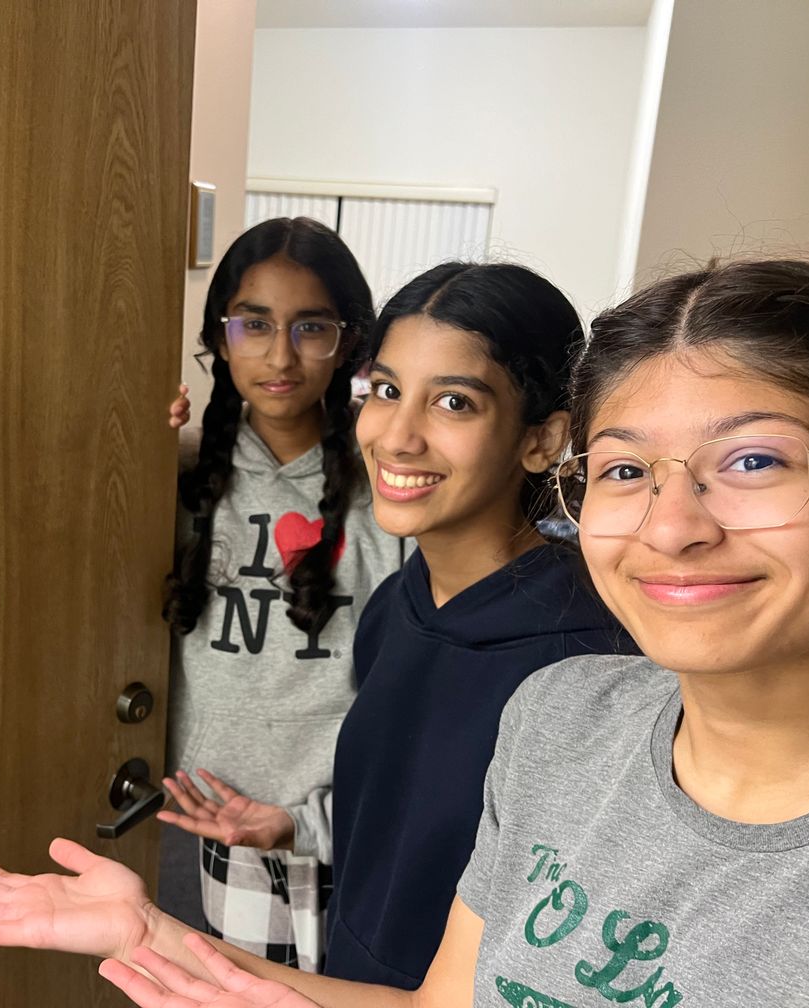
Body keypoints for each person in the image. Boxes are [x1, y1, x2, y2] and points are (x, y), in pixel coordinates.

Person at [0, 259, 809, 1007]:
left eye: (754, 463)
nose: (672, 525)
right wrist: (160, 935)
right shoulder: (565, 718)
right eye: (626, 470)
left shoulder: (590, 653)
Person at [157, 262, 636, 989]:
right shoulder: (398, 605)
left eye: (453, 402)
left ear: (543, 439)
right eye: (385, 391)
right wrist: (297, 827)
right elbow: (402, 825)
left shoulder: (587, 662)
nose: (398, 436)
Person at [156, 217, 403, 971]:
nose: (280, 355)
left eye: (312, 327)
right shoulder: (179, 476)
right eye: (253, 324)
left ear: (349, 341)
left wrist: (316, 822)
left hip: (353, 821)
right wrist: (131, 446)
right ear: (220, 336)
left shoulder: (388, 485)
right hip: (221, 813)